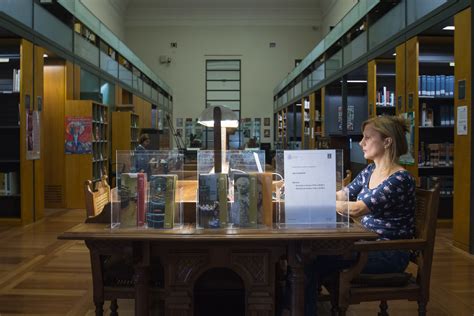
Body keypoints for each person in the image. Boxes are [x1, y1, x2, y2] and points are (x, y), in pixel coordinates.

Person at [304, 115, 416, 316]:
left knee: (310, 260)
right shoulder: (370, 170)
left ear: (387, 141)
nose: (361, 143)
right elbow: (343, 194)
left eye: (367, 138)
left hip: (388, 252)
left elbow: (357, 208)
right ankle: (304, 306)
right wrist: (309, 192)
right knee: (309, 255)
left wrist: (316, 202)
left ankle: (302, 307)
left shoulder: (400, 179)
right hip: (365, 245)